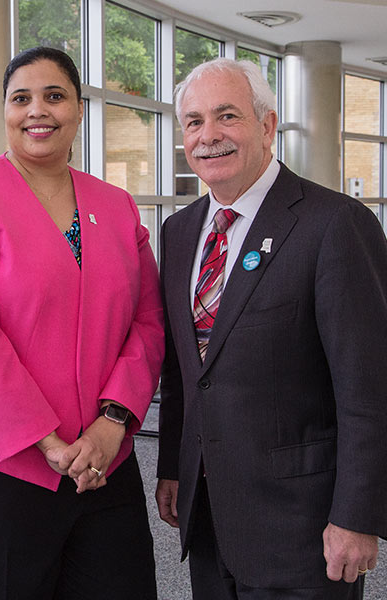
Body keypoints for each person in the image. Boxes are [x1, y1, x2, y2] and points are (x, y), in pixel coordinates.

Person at [0, 46, 164, 599]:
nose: (36, 111)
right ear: (5, 110)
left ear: (79, 109)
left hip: (101, 457)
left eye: (54, 96)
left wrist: (112, 424)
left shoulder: (114, 206)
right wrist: (48, 443)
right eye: (21, 98)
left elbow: (147, 320)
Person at [156, 57, 387, 600]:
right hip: (208, 514)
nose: (208, 136)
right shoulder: (180, 231)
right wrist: (173, 466)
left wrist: (358, 515)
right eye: (193, 122)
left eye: (226, 116)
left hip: (304, 527)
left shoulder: (336, 224)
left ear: (266, 126)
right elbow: (183, 369)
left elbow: (369, 388)